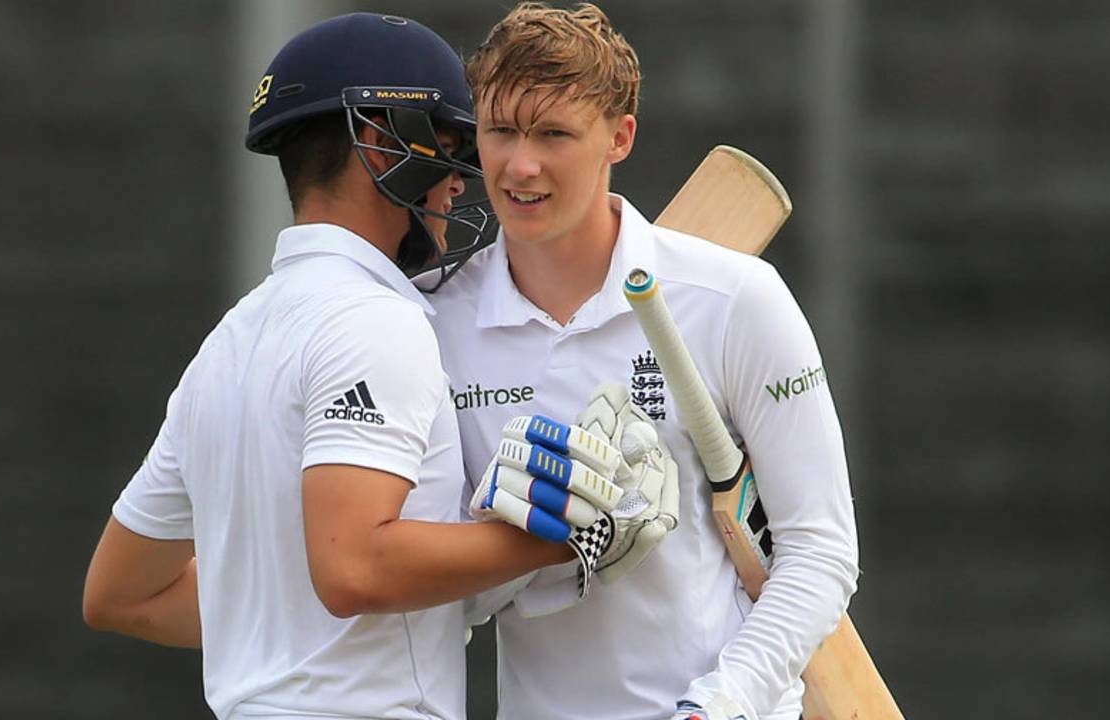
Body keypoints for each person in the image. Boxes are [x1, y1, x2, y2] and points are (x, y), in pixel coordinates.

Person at [80, 12, 663, 720]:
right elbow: (353, 567)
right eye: (449, 151)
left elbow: (120, 594)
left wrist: (278, 615)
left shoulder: (227, 343)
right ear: (384, 144)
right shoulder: (378, 321)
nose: (459, 187)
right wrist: (555, 537)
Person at [427, 4, 861, 719]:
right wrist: (521, 536)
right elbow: (447, 606)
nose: (520, 164)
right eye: (500, 131)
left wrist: (716, 707)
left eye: (554, 134)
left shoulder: (736, 299)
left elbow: (820, 551)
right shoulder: (436, 321)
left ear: (618, 138)